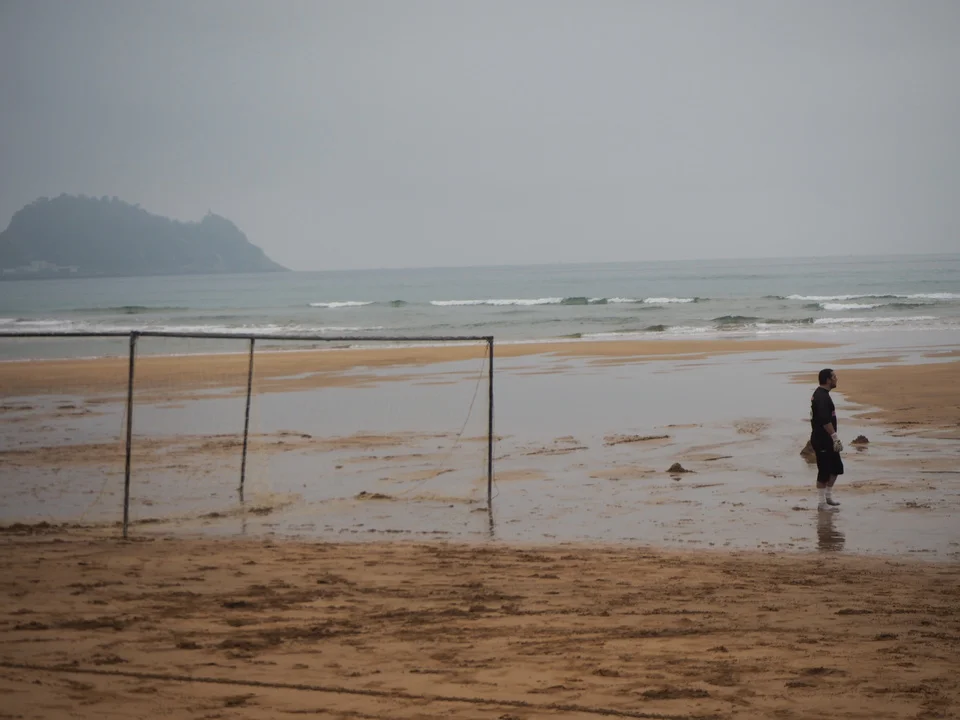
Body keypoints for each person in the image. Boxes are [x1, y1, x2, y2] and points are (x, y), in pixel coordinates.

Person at [810, 368, 843, 511]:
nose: (836, 379)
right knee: (823, 471)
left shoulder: (824, 394)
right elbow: (824, 421)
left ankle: (828, 497)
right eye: (834, 377)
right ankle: (821, 503)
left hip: (828, 440)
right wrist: (835, 437)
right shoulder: (821, 396)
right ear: (828, 380)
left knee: (836, 468)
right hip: (822, 439)